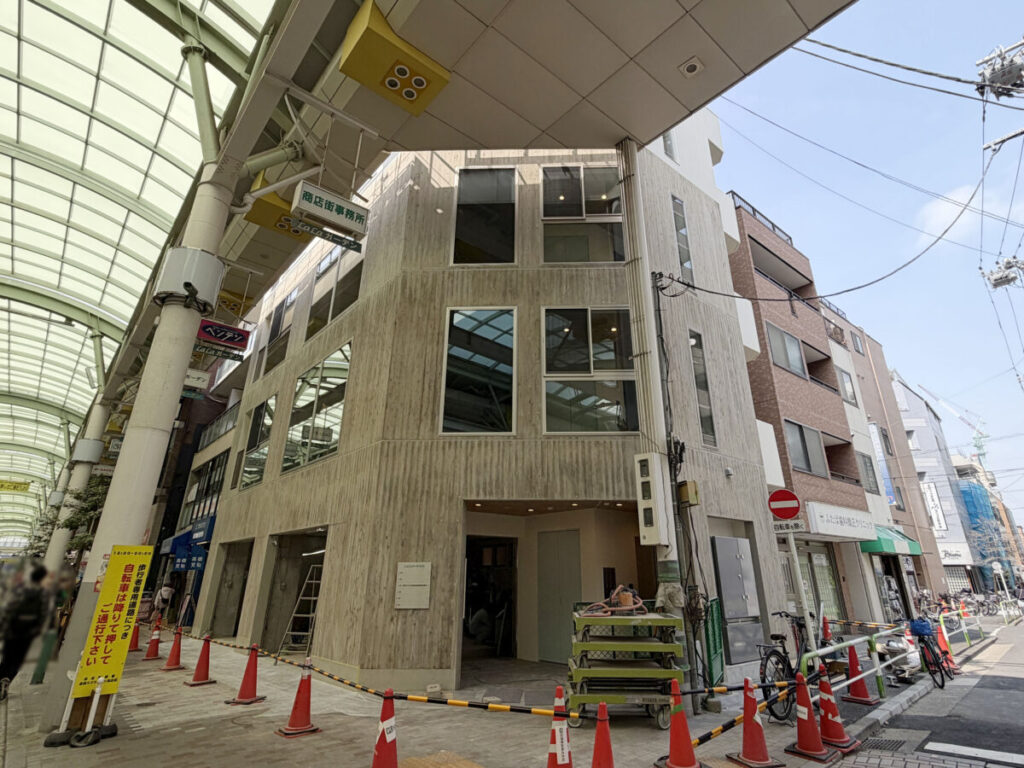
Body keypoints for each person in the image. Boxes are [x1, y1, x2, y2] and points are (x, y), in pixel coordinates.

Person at [0, 564, 49, 696]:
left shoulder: (19, 590)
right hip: (27, 634)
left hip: (12, 631)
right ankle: (7, 681)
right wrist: (36, 631)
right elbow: (43, 616)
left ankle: (1, 679)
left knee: (6, 659)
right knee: (17, 661)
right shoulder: (43, 594)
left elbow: (7, 609)